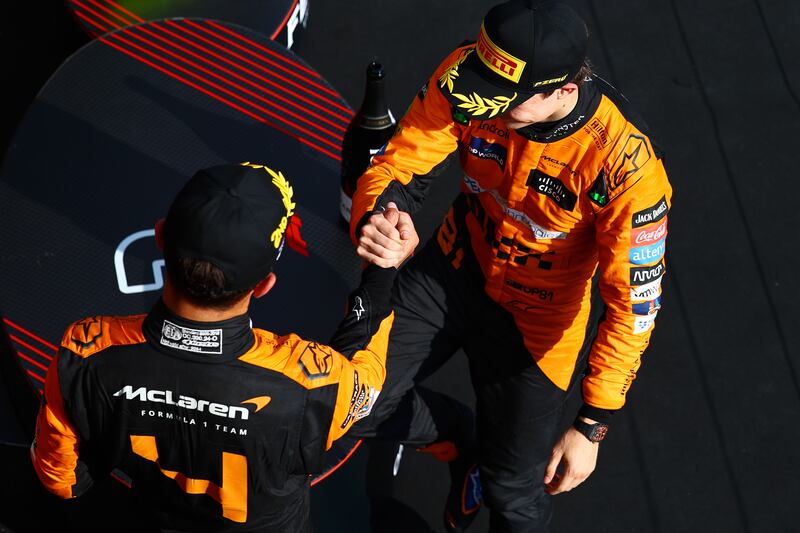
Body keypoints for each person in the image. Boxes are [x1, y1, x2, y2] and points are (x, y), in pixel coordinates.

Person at [349, 0, 673, 531]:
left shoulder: (627, 167)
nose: (483, 107)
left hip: (540, 329)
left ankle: (487, 466)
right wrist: (384, 216)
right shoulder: (465, 74)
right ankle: (458, 436)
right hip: (450, 271)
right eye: (482, 88)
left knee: (514, 494)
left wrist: (593, 424)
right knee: (350, 404)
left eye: (505, 102)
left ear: (564, 91)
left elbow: (633, 309)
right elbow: (402, 160)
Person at [30, 162, 412, 532]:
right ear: (265, 284)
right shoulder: (311, 384)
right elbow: (368, 382)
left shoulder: (85, 352)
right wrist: (381, 273)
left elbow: (61, 479)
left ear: (160, 237)